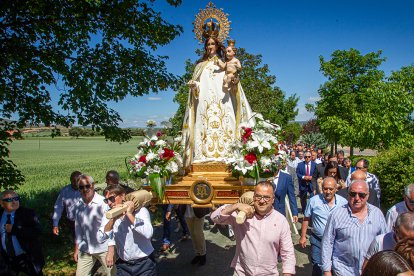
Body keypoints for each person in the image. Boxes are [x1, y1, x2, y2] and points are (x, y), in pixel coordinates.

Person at [181, 28, 253, 167]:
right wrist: (194, 85)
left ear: (218, 46)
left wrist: (234, 81)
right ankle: (202, 158)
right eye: (207, 44)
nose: (209, 47)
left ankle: (228, 157)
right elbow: (199, 84)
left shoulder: (224, 63)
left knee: (227, 125)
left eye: (212, 44)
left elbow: (233, 84)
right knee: (204, 128)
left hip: (223, 102)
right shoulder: (200, 66)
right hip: (205, 104)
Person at [211, 181, 296, 275]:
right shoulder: (241, 214)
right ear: (253, 197)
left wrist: (287, 273)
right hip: (242, 272)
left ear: (273, 199)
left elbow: (287, 252)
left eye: (267, 197)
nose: (262, 201)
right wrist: (236, 206)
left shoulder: (281, 220)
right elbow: (214, 217)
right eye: (258, 196)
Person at [321, 180, 387, 276]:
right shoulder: (336, 215)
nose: (357, 198)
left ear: (367, 195)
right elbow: (327, 243)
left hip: (371, 271)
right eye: (353, 194)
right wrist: (327, 271)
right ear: (348, 194)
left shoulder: (377, 214)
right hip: (343, 271)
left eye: (361, 195)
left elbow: (384, 242)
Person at [98, 186, 156, 276]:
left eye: (112, 199)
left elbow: (148, 233)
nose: (109, 203)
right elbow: (101, 237)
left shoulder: (141, 212)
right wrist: (113, 220)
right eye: (106, 200)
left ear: (122, 195)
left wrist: (129, 214)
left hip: (144, 263)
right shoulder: (109, 215)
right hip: (124, 265)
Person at [299, 177, 347, 275]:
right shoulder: (314, 201)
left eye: (330, 189)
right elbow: (306, 218)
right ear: (322, 188)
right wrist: (303, 236)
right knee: (317, 265)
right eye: (325, 188)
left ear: (336, 189)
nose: (328, 191)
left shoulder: (343, 203)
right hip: (318, 240)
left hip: (336, 242)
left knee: (333, 267)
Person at [74, 174, 115, 276]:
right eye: (81, 187)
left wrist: (111, 252)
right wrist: (76, 249)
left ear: (93, 185)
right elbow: (78, 229)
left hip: (104, 248)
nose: (85, 189)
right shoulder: (78, 204)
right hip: (86, 248)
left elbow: (111, 228)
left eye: (87, 186)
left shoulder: (103, 203)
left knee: (113, 274)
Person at [0, 190, 44, 275]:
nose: (14, 201)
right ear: (1, 203)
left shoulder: (28, 213)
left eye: (16, 198)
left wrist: (15, 229)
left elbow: (37, 232)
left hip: (28, 258)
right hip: (7, 260)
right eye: (9, 200)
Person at [52, 170, 82, 237]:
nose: (76, 183)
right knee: (76, 242)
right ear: (70, 180)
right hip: (72, 222)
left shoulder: (87, 190)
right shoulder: (65, 191)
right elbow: (58, 207)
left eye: (78, 181)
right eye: (74, 181)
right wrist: (55, 224)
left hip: (85, 222)